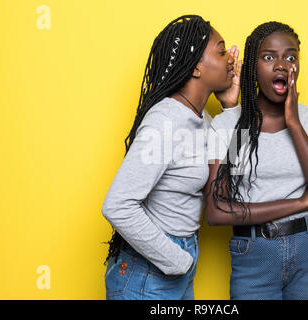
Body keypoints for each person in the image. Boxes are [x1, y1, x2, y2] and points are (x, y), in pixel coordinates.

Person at [101, 14, 242, 300]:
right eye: (221, 50)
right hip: (147, 275)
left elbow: (234, 177)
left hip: (173, 267)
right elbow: (118, 206)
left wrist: (230, 110)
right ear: (196, 69)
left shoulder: (201, 118)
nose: (231, 58)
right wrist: (178, 261)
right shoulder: (166, 121)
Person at [204, 21, 308, 300]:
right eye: (269, 57)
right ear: (252, 68)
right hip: (255, 255)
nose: (281, 65)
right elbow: (217, 210)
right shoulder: (233, 126)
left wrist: (294, 124)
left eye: (290, 57)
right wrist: (299, 203)